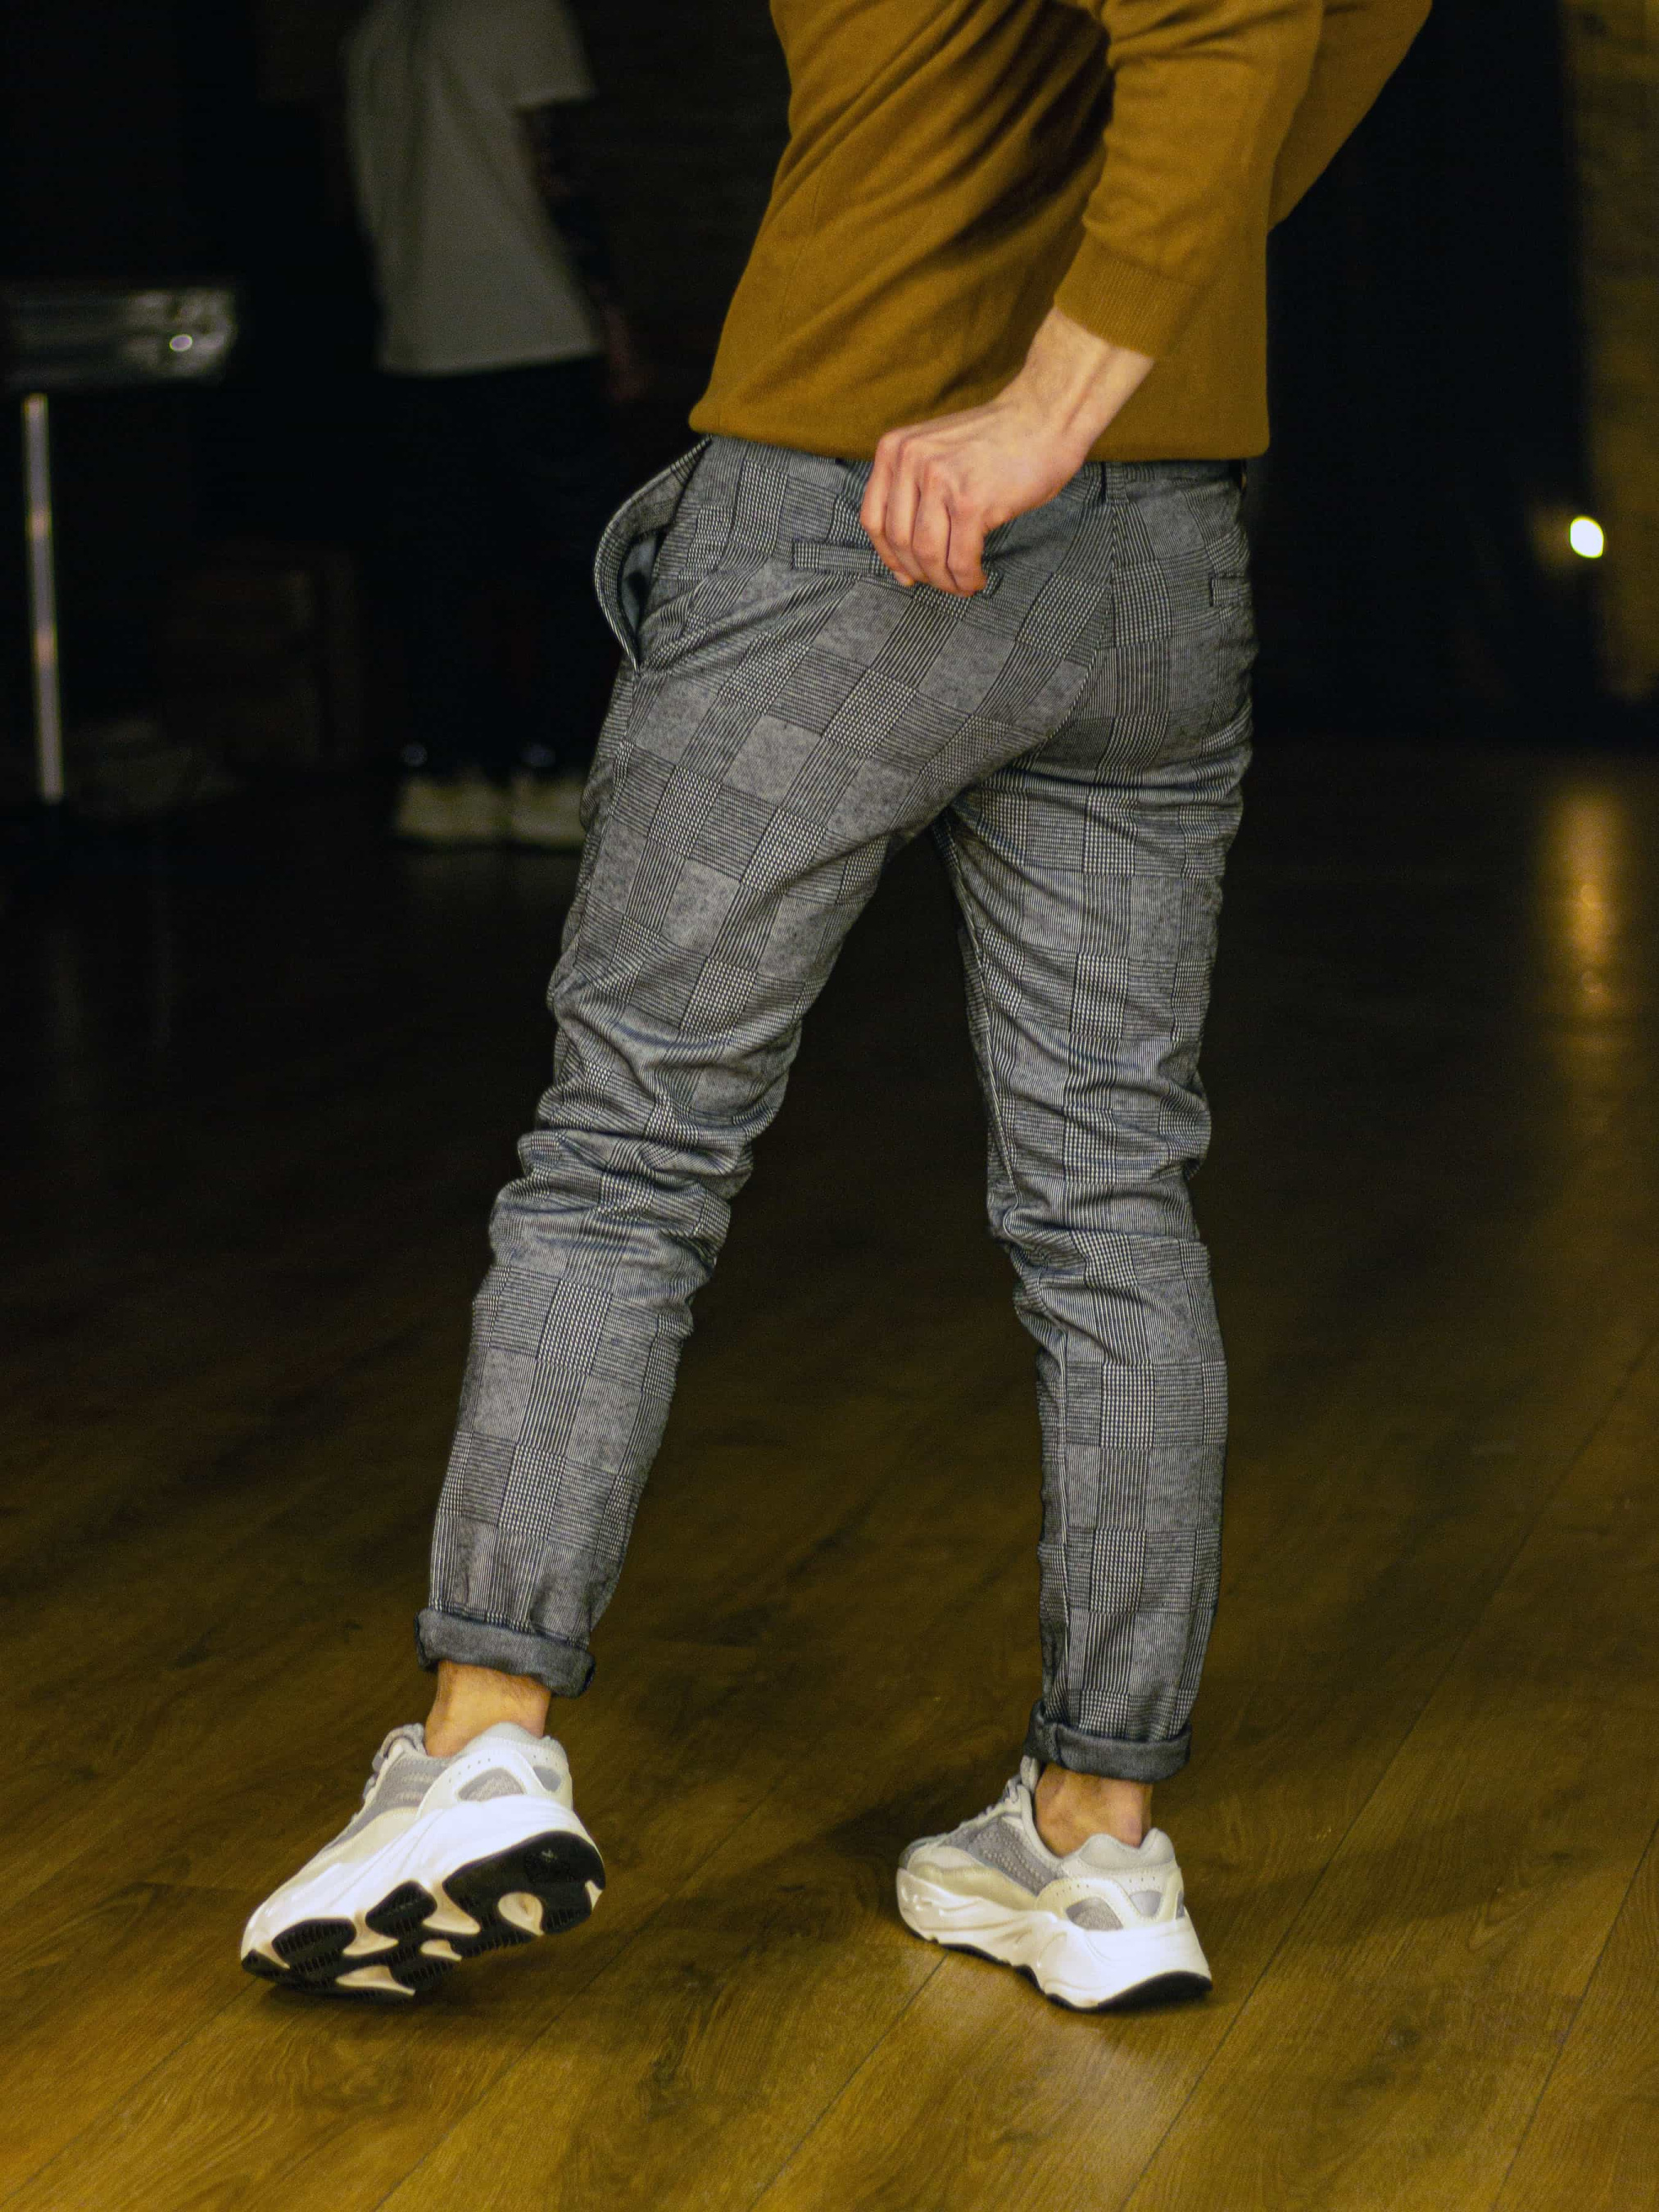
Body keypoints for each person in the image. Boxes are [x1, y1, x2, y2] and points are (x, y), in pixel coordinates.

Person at [247, 0, 1430, 2006]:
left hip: (864, 502)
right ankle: (1093, 1843)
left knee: (626, 1157)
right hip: (1160, 543)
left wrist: (1039, 403)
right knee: (1110, 1196)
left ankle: (476, 1751)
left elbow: (1225, 22)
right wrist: (1124, 351)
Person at [344, 0, 651, 850]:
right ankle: (554, 771)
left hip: (415, 336)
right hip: (530, 325)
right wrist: (614, 319)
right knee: (585, 560)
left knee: (442, 568)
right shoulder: (514, 9)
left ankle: (446, 775)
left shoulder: (381, 25)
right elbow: (555, 172)